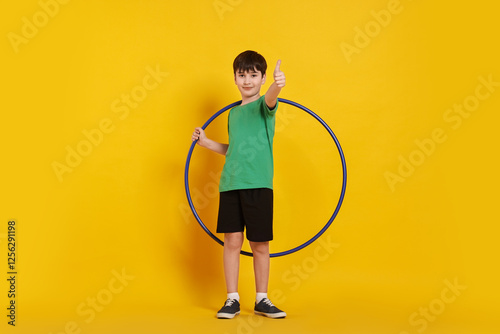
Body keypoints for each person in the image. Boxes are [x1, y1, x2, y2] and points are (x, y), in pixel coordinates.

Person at [191, 50, 286, 319]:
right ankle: (232, 298)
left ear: (262, 78)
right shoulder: (232, 113)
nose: (247, 81)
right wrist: (207, 142)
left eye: (253, 75)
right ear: (234, 78)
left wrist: (277, 86)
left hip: (258, 184)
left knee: (260, 244)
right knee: (232, 241)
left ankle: (262, 299)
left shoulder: (264, 107)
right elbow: (235, 149)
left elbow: (270, 98)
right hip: (230, 184)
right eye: (242, 75)